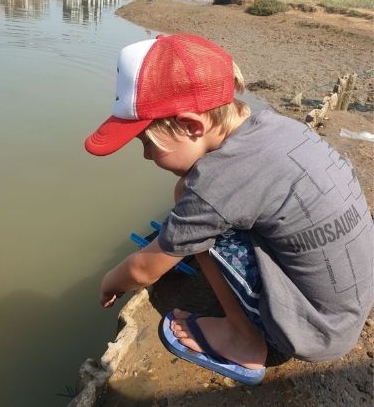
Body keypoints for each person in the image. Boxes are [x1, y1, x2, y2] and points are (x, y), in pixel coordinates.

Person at [85, 34, 373, 386]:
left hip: (316, 330)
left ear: (192, 126)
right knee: (191, 199)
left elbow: (144, 270)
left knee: (193, 215)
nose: (146, 155)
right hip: (351, 304)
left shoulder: (215, 183)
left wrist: (109, 282)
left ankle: (243, 341)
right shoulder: (276, 128)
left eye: (147, 142)